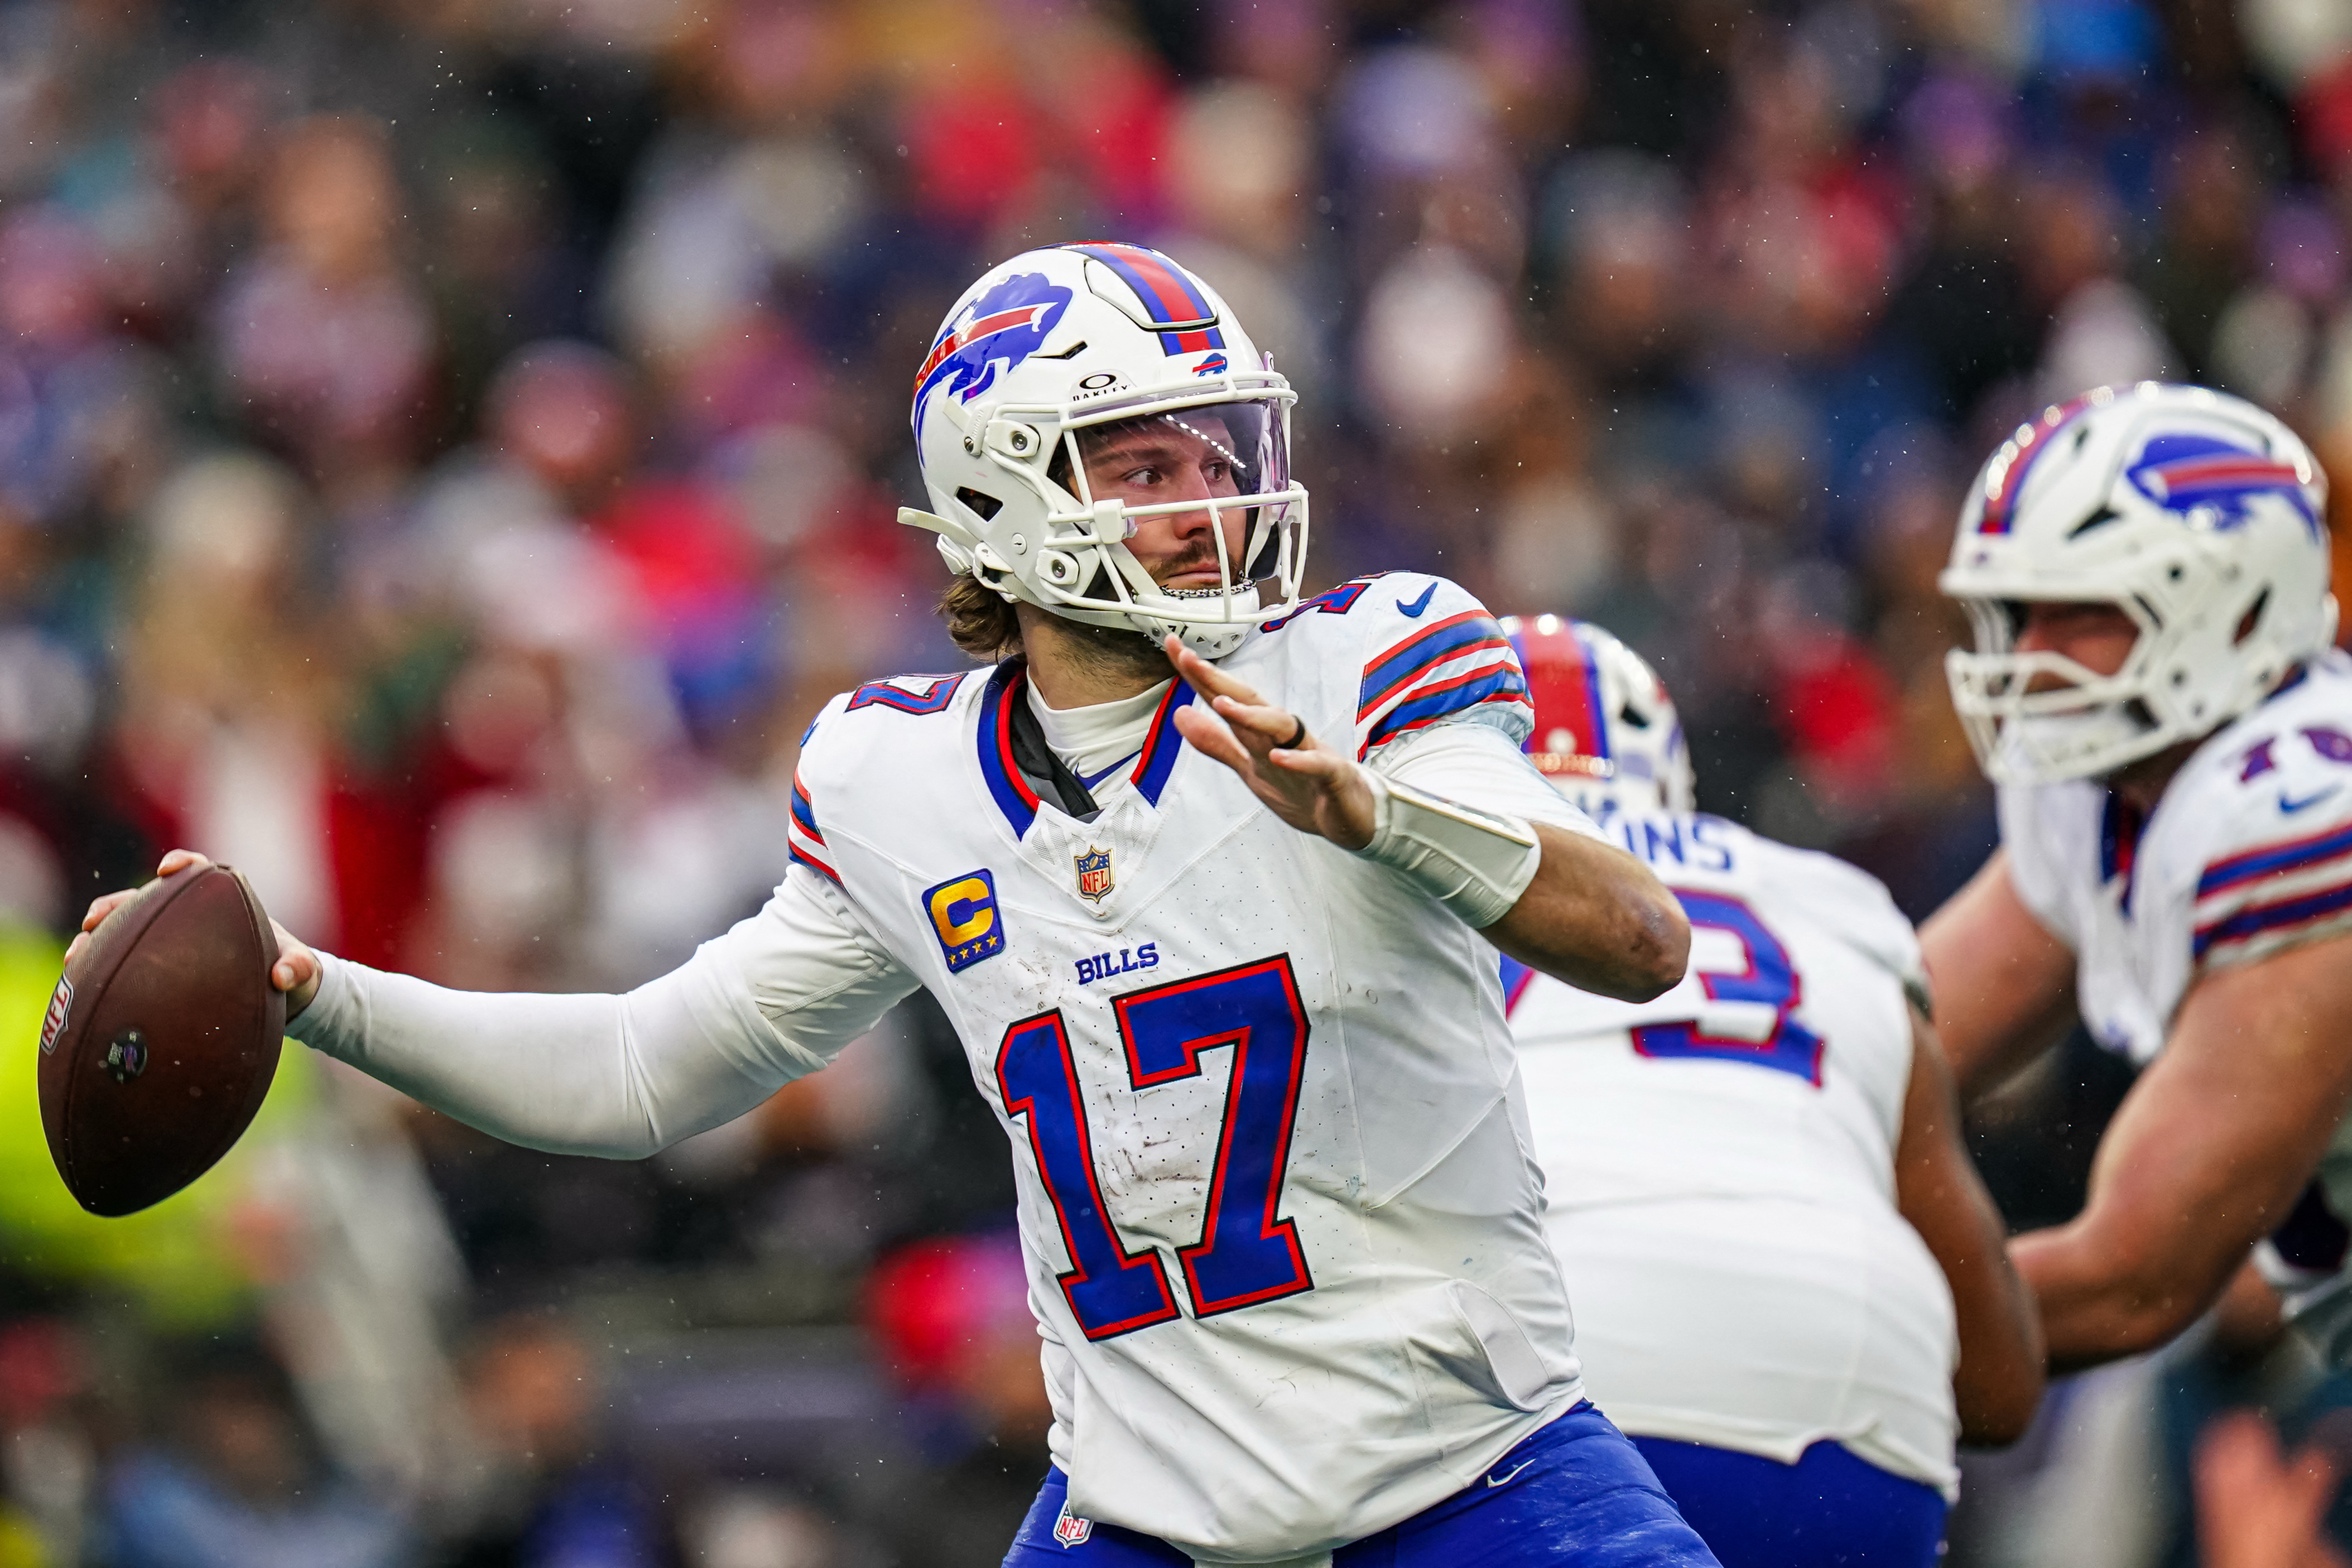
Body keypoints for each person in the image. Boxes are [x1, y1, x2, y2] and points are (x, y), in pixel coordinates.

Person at [80, 244, 1714, 1567]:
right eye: (1145, 463)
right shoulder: (899, 779)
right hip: (1152, 1520)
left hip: (1484, 1486)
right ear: (1002, 497)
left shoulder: (1375, 658)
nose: (1208, 504)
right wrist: (317, 991)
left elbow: (1637, 940)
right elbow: (648, 1072)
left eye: (1219, 455)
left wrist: (1381, 814)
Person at [1497, 615, 2044, 1567]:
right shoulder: (1834, 904)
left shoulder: (1422, 890)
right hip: (1863, 1422)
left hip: (1564, 1401)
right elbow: (1998, 1377)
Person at [1921, 381, 2352, 1370]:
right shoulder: (2121, 788)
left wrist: (1804, 1335)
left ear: (2232, 607)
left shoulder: (2300, 815)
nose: (2030, 657)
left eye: (2079, 614)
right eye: (2020, 613)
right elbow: (1885, 1047)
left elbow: (2133, 1278)